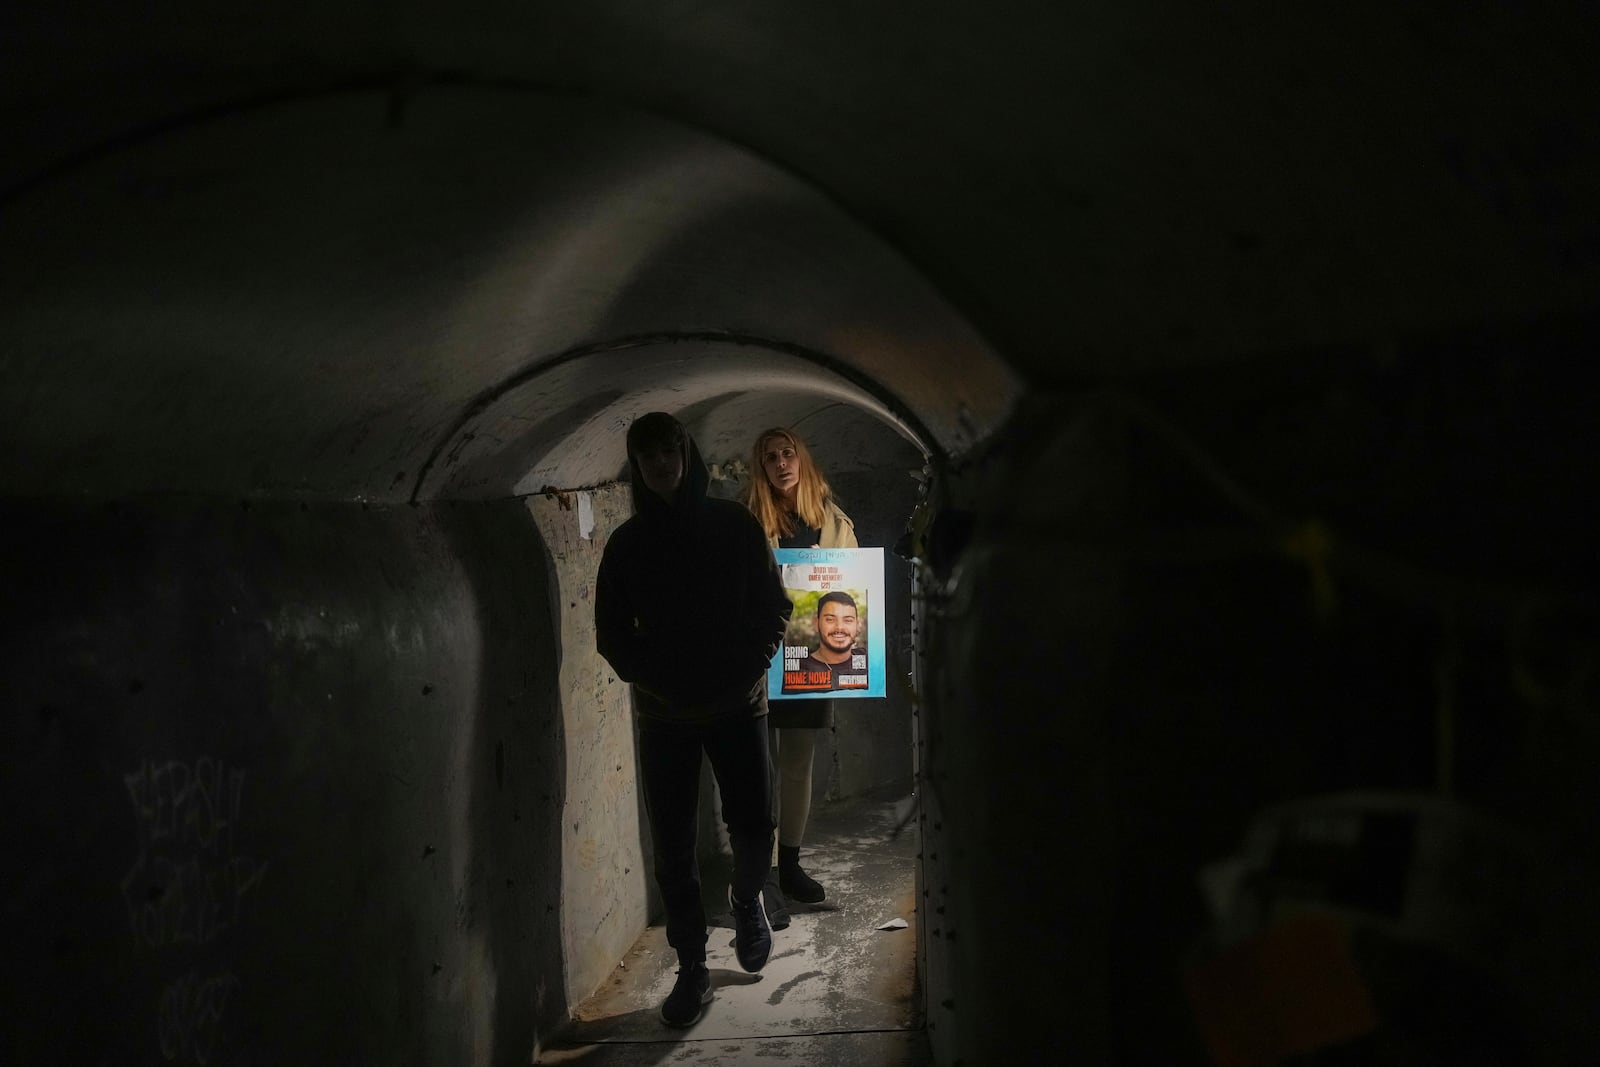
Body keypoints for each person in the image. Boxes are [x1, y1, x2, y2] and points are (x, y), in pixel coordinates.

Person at [595, 412, 793, 1029]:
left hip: (737, 705)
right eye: (648, 455)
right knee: (674, 847)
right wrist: (651, 678)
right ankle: (692, 968)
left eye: (669, 450)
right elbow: (611, 633)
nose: (661, 463)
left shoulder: (733, 526)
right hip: (666, 718)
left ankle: (745, 898)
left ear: (686, 452)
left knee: (755, 829)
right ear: (637, 465)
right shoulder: (628, 545)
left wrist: (750, 665)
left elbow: (773, 605)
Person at [742, 427, 858, 929]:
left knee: (798, 766)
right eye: (771, 457)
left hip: (811, 660)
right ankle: (761, 876)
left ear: (802, 459)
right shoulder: (748, 521)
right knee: (756, 771)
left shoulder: (832, 521)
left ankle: (789, 865)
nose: (782, 463)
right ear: (761, 468)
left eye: (788, 453)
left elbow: (853, 589)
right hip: (763, 658)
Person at [791, 591, 869, 691]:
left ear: (857, 625)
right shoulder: (800, 669)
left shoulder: (869, 661)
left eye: (848, 620)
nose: (839, 627)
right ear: (816, 623)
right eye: (830, 620)